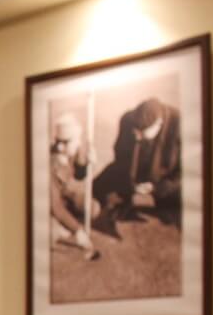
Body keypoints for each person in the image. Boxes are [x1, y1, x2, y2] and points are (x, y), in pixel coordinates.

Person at [93, 96, 183, 231]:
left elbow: (184, 173)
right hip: (136, 173)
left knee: (177, 211)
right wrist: (131, 184)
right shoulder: (128, 119)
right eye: (134, 132)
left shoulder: (180, 124)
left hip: (167, 179)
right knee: (97, 187)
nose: (136, 137)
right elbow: (120, 156)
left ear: (159, 124)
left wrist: (157, 188)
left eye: (141, 133)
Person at [49, 112, 101, 261]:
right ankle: (61, 224)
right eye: (58, 141)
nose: (60, 146)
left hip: (65, 194)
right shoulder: (47, 163)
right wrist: (77, 230)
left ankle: (65, 222)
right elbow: (55, 206)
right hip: (48, 202)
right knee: (51, 233)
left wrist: (89, 163)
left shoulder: (75, 149)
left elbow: (79, 175)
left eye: (65, 142)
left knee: (93, 208)